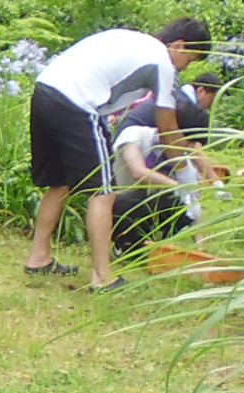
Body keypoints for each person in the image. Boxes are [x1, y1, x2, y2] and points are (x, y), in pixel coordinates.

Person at [21, 18, 213, 292]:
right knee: (104, 192)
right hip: (78, 102)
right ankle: (102, 277)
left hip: (45, 91)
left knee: (61, 182)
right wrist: (186, 179)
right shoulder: (162, 63)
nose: (185, 68)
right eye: (190, 60)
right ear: (180, 45)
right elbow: (168, 128)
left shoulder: (132, 38)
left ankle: (39, 257)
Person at [109, 74, 223, 256]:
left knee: (174, 202)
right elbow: (138, 172)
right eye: (187, 143)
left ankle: (151, 240)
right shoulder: (135, 134)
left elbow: (194, 205)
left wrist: (201, 249)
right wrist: (178, 186)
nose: (187, 149)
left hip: (146, 202)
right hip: (118, 197)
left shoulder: (178, 156)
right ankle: (124, 245)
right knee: (132, 199)